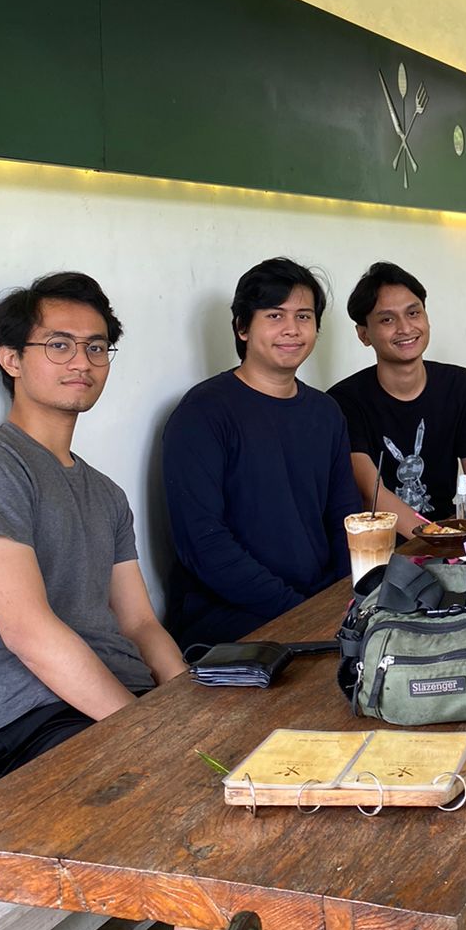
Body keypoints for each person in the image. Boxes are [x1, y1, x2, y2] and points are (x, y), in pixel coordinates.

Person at [0, 271, 279, 930]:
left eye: (96, 346)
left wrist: (188, 706)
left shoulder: (104, 491)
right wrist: (148, 731)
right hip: (25, 733)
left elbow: (140, 623)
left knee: (274, 774)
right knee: (208, 835)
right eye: (59, 344)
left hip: (113, 712)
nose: (81, 361)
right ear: (10, 358)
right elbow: (29, 633)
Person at [163, 257, 360, 647]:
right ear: (242, 327)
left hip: (316, 605)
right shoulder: (203, 412)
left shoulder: (326, 413)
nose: (292, 329)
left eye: (304, 317)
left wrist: (344, 601)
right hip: (232, 618)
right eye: (274, 315)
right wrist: (301, 614)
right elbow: (204, 544)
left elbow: (344, 519)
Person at [329, 262, 466, 537]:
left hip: (450, 536)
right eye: (387, 320)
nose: (405, 328)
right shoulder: (343, 401)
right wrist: (438, 537)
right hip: (380, 545)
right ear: (364, 334)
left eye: (413, 313)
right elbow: (371, 493)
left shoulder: (460, 385)